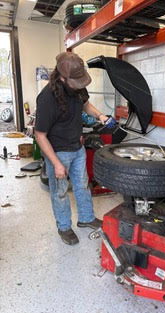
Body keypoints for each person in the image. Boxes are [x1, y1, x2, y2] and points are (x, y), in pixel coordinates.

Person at [35, 52, 115, 246]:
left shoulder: (77, 88)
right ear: (62, 77)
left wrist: (100, 116)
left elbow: (86, 105)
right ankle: (64, 227)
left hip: (77, 147)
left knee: (82, 185)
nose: (80, 84)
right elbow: (40, 135)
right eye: (75, 81)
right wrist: (56, 164)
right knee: (60, 193)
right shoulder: (47, 98)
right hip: (58, 152)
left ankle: (86, 218)